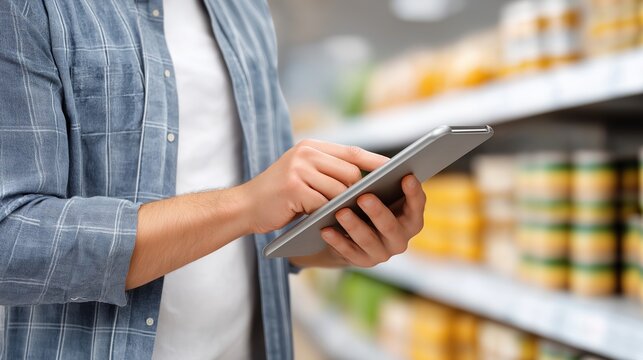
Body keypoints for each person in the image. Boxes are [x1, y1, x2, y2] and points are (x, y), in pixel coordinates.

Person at [0, 0, 426, 359]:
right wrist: (244, 205)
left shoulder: (247, 11)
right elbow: (10, 243)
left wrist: (345, 239)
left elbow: (266, 232)